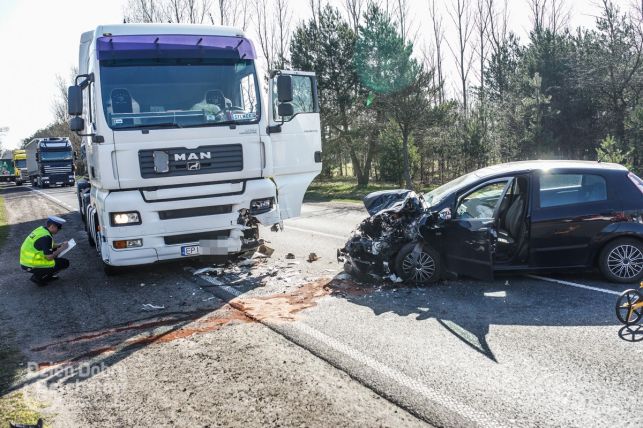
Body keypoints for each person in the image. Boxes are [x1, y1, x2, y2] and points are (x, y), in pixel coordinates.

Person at [20, 216, 70, 286]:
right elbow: (49, 257)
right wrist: (61, 249)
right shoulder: (46, 237)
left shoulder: (41, 230)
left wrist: (60, 244)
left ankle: (44, 275)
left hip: (27, 261)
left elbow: (47, 245)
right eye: (58, 228)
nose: (59, 230)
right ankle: (39, 277)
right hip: (30, 264)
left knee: (54, 251)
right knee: (64, 263)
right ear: (52, 226)